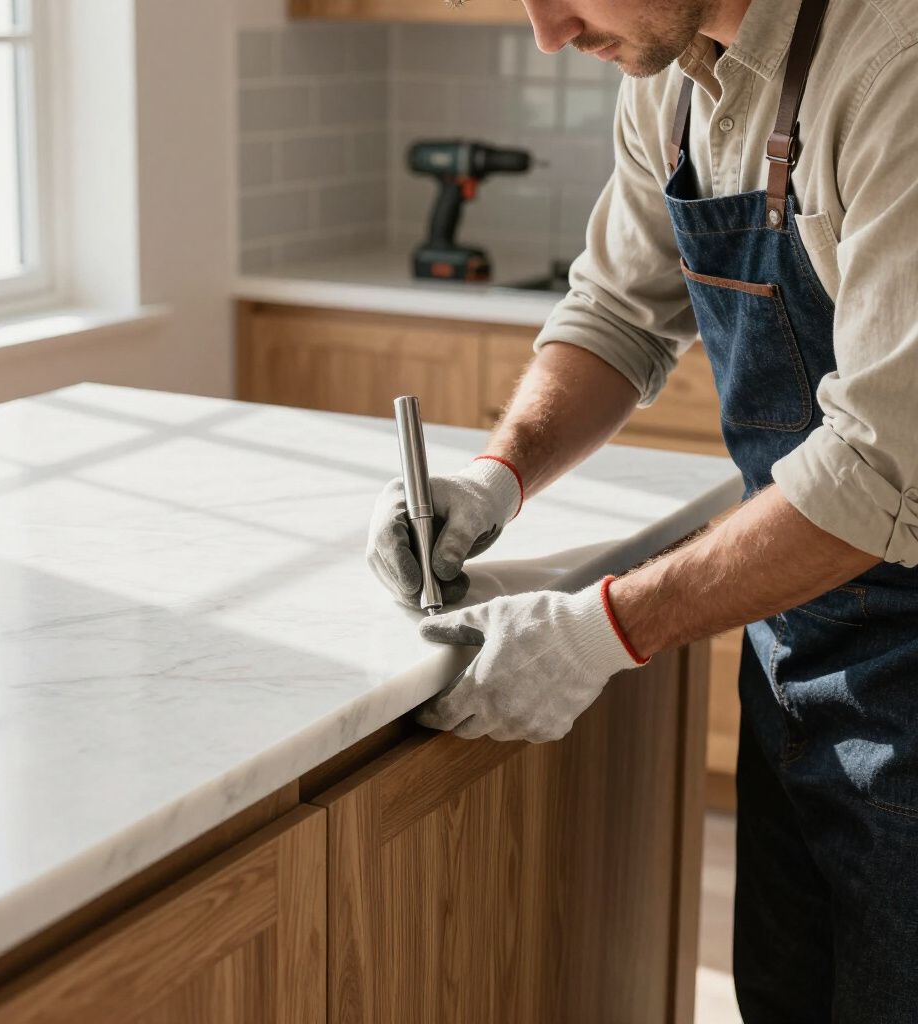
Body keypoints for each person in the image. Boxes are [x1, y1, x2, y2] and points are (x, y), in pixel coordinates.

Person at [366, 0, 918, 1019]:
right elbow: (617, 313)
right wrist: (497, 474)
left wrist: (598, 630)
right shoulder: (665, 79)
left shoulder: (894, 66)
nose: (546, 31)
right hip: (797, 655)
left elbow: (884, 465)